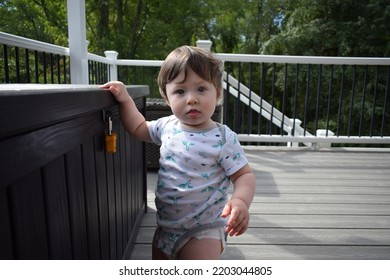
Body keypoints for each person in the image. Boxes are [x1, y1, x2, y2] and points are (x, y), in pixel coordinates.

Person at [100, 45, 255, 260]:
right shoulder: (167, 126)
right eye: (180, 91)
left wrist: (240, 201)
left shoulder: (223, 137)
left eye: (201, 89)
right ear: (166, 96)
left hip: (204, 230)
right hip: (165, 228)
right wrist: (125, 100)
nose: (191, 98)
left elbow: (244, 175)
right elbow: (138, 128)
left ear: (217, 93)